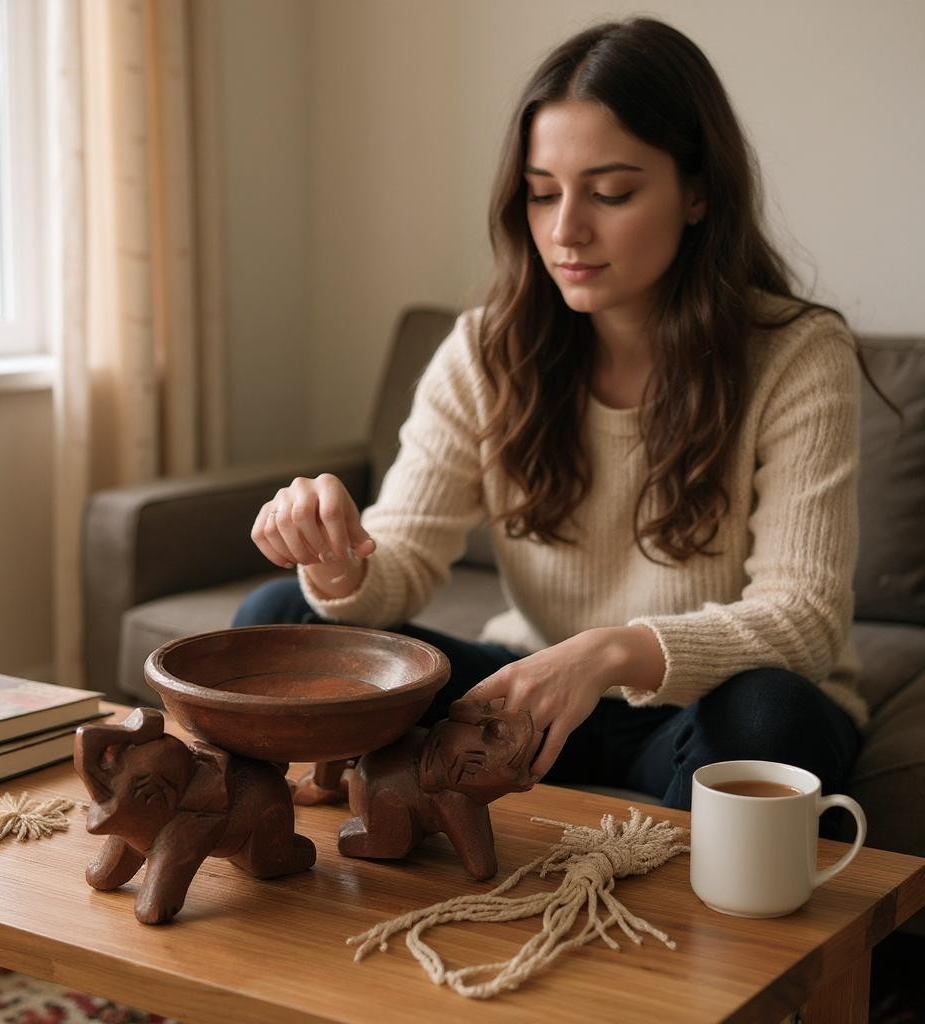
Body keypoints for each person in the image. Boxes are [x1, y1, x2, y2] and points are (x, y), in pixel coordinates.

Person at [232, 17, 871, 826]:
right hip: (531, 698)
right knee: (278, 623)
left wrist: (606, 653)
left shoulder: (796, 354)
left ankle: (660, 929)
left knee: (770, 719)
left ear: (699, 191)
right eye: (542, 194)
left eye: (611, 193)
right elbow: (392, 570)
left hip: (701, 706)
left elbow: (804, 618)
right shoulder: (488, 350)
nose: (565, 230)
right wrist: (333, 560)